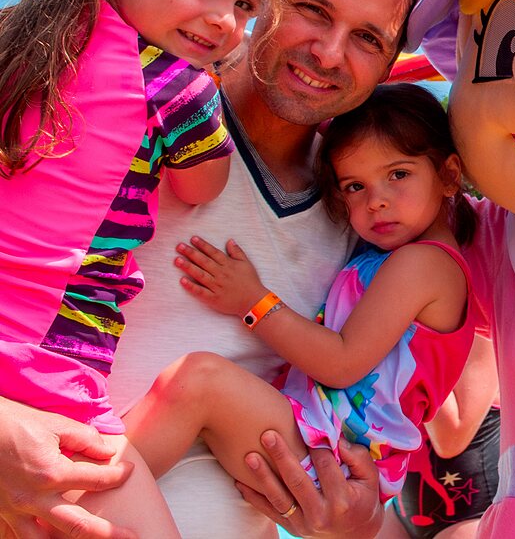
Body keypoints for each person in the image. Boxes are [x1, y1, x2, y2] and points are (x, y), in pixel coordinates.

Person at [108, 0, 429, 539]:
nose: (329, 53)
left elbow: (351, 420)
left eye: (368, 38)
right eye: (313, 8)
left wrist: (360, 518)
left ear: (391, 62)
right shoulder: (136, 102)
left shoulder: (369, 208)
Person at [0, 0, 283, 535]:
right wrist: (210, 96)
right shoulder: (176, 86)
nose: (223, 22)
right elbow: (203, 183)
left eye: (245, 6)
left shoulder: (16, 42)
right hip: (47, 367)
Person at [125, 83, 476, 508]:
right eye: (354, 186)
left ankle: (80, 496)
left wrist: (251, 300)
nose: (377, 201)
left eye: (398, 174)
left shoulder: (424, 264)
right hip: (321, 440)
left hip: (334, 456)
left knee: (198, 382)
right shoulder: (398, 253)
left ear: (449, 175)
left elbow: (343, 362)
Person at [387, 335, 500, 539]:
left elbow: (451, 439)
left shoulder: (481, 326)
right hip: (402, 508)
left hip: (470, 513)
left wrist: (402, 345)